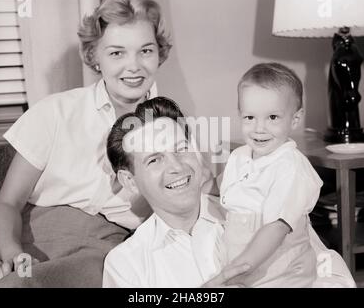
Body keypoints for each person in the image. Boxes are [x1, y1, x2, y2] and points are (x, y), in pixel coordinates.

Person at [0, 0, 171, 287]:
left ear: (159, 54)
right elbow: (7, 202)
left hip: (103, 252)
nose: (134, 65)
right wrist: (12, 255)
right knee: (13, 280)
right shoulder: (54, 112)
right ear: (94, 56)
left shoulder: (171, 129)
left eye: (146, 50)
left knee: (19, 285)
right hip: (25, 239)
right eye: (116, 53)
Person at [102, 96, 356, 288]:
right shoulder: (127, 265)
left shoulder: (262, 205)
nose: (177, 167)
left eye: (181, 149)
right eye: (154, 160)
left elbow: (332, 273)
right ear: (130, 181)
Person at [219, 62, 322, 287]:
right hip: (245, 269)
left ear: (295, 119)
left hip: (283, 273)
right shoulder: (239, 157)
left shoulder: (291, 167)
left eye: (272, 117)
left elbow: (276, 228)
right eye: (250, 117)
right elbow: (232, 199)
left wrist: (227, 276)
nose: (259, 128)